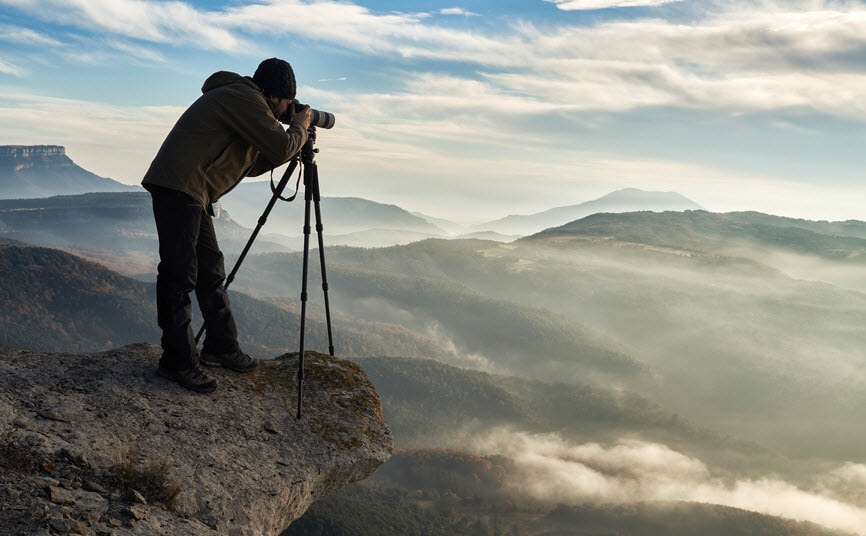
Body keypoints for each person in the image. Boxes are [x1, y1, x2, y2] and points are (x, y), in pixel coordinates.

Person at [142, 58, 312, 393]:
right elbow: (279, 146)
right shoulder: (244, 99)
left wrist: (295, 139)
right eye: (286, 103)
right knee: (179, 275)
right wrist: (299, 130)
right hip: (179, 186)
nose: (286, 110)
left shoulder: (244, 104)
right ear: (276, 96)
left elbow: (253, 163)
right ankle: (176, 361)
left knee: (210, 270)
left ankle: (221, 347)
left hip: (192, 190)